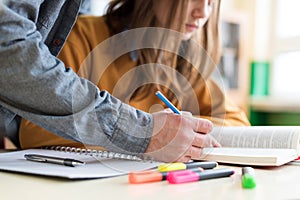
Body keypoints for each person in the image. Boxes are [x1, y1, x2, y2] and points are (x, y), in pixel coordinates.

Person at [18, 0, 250, 154]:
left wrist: (179, 129)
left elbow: (237, 123)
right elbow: (36, 131)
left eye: (211, 2)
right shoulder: (83, 35)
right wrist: (143, 130)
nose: (203, 13)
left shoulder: (181, 58)